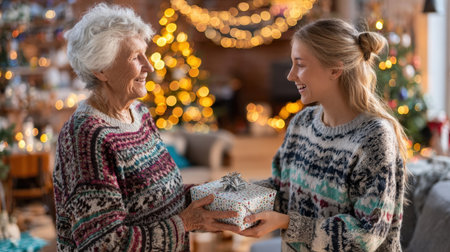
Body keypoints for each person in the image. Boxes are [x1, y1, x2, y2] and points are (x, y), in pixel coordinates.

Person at [53, 3, 238, 251]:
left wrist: (217, 195)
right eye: (134, 57)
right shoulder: (86, 137)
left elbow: (157, 195)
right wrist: (185, 223)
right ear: (101, 69)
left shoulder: (139, 113)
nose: (149, 66)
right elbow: (105, 244)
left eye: (145, 54)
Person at [239, 18, 407, 252]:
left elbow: (366, 236)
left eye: (301, 64)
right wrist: (233, 194)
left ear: (335, 69)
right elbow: (281, 189)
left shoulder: (374, 137)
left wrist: (288, 223)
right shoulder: (301, 123)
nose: (291, 75)